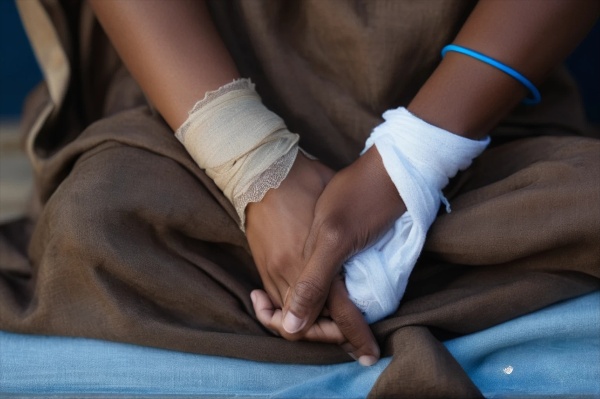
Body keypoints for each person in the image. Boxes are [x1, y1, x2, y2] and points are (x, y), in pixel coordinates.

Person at [2, 0, 599, 396]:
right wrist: (256, 164)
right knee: (105, 225)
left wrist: (413, 157)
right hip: (188, 101)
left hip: (474, 106)